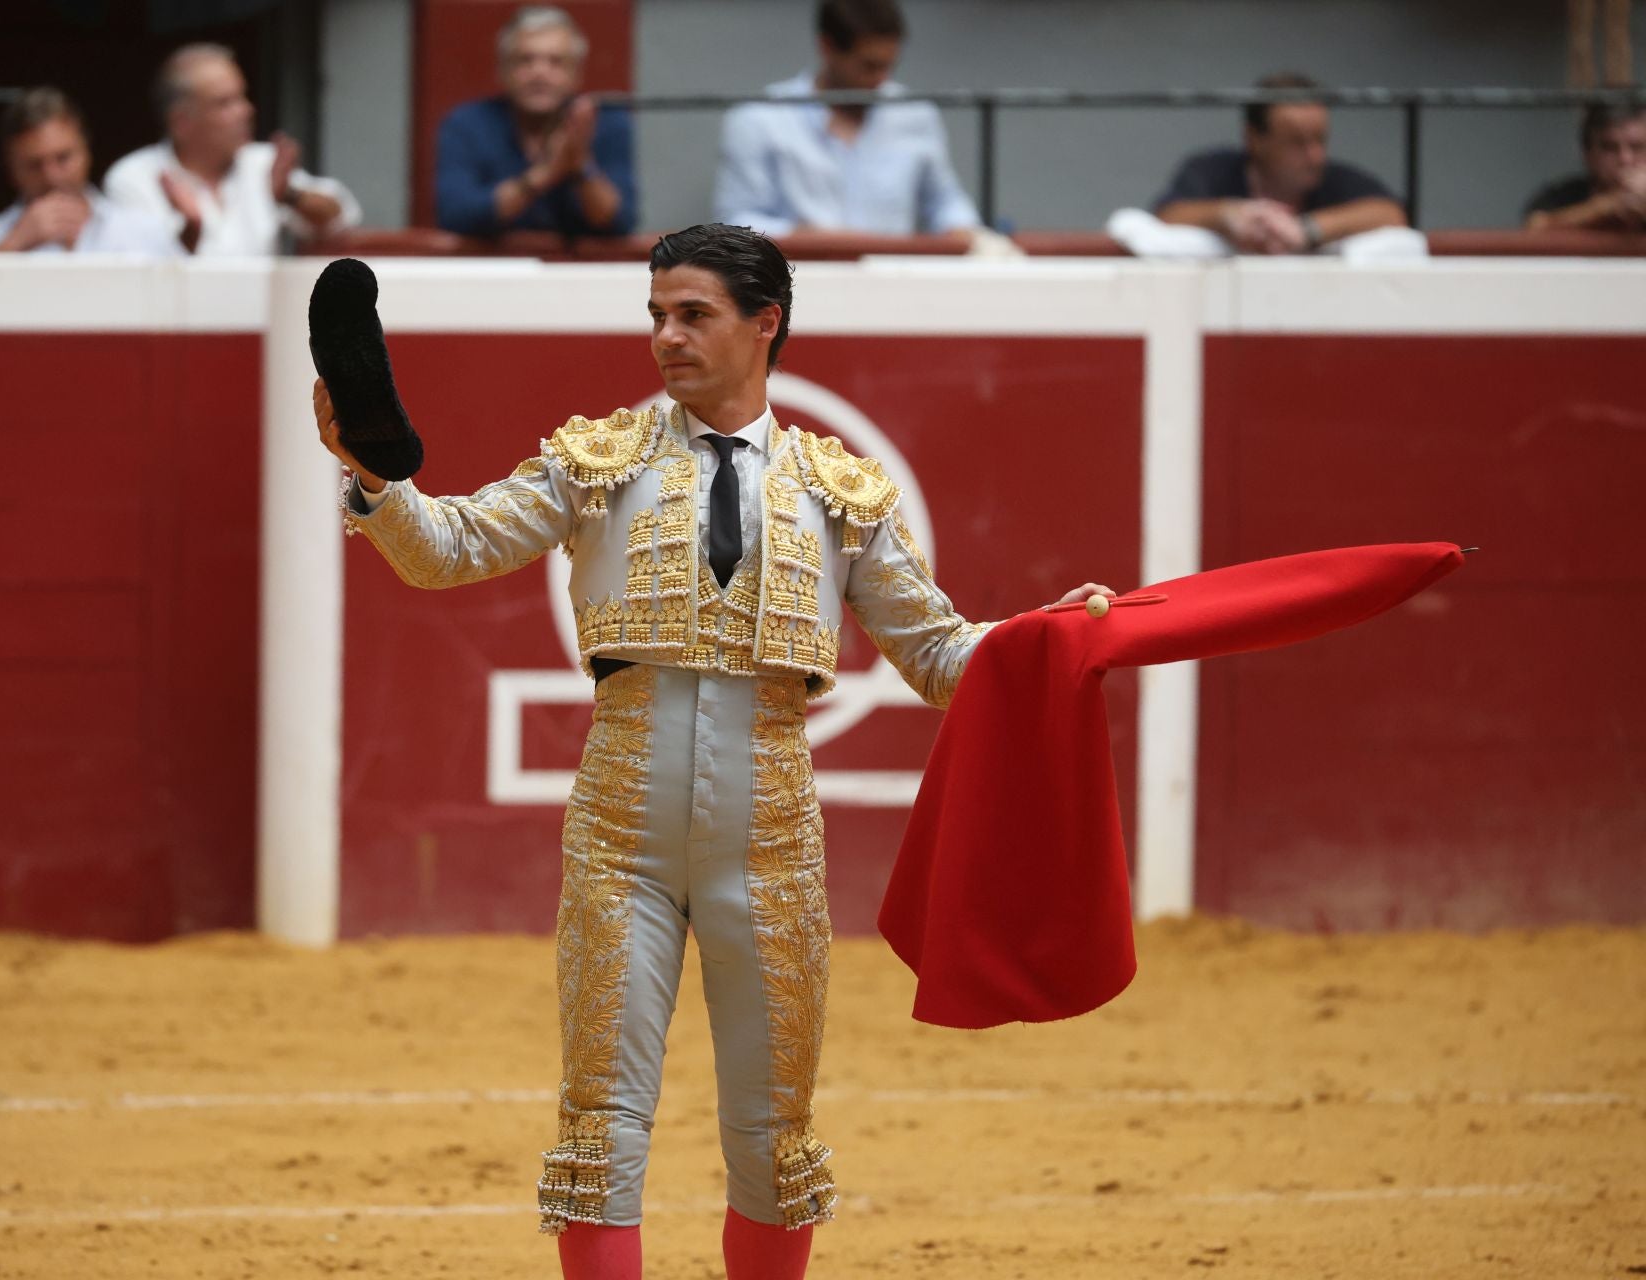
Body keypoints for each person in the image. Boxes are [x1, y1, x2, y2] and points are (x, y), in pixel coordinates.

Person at [314, 223, 1112, 1280]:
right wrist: (375, 477)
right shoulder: (595, 461)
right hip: (620, 838)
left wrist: (1045, 638)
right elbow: (448, 549)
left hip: (773, 841)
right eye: (655, 315)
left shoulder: (842, 493)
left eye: (692, 314)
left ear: (763, 321)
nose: (666, 338)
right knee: (599, 1128)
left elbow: (936, 653)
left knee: (774, 1136)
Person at [713, 0, 981, 244]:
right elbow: (736, 222)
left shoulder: (915, 113)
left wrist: (960, 229)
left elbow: (946, 202)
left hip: (893, 280)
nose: (881, 80)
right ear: (827, 47)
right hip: (796, 278)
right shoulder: (760, 118)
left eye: (889, 66)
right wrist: (814, 239)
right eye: (869, 66)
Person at [104, 44, 360, 256]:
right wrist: (190, 231)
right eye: (225, 103)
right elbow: (141, 274)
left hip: (263, 318)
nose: (246, 111)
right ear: (181, 122)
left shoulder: (262, 163)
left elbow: (342, 218)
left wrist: (290, 196)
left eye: (243, 97)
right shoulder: (133, 177)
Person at [434, 5, 636, 238]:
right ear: (502, 71)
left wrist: (580, 165)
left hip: (581, 271)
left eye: (556, 62)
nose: (539, 72)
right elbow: (456, 216)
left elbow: (621, 222)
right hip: (491, 270)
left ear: (577, 74)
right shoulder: (465, 124)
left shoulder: (607, 123)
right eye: (524, 60)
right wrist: (544, 174)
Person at [1153, 72, 1408, 253]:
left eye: (1320, 140)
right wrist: (1228, 215)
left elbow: (1391, 214)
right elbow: (1168, 214)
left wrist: (1307, 230)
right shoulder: (1211, 170)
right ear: (1254, 139)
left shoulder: (1334, 177)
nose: (1315, 156)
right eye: (1297, 142)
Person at [0, 88, 179, 256]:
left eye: (63, 158)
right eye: (34, 164)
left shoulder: (144, 230)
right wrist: (12, 246)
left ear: (87, 153)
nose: (52, 176)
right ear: (11, 170)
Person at [1524, 104, 1646, 231]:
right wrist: (1605, 207)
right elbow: (1534, 227)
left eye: (1637, 147)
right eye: (1610, 148)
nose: (1625, 159)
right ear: (1588, 154)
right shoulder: (1563, 195)